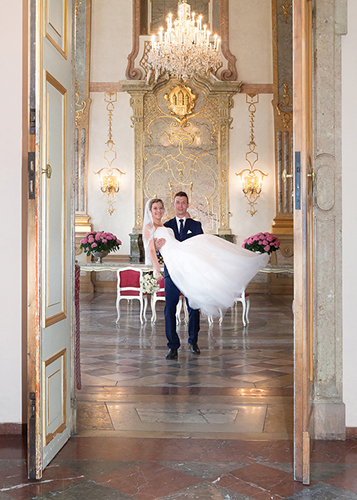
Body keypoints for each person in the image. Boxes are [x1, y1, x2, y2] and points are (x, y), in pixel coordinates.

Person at [142, 196, 269, 360]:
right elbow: (153, 248)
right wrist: (157, 258)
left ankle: (193, 341)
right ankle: (172, 346)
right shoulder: (166, 225)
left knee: (194, 304)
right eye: (156, 208)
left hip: (190, 270)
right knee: (169, 308)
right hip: (172, 270)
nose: (159, 210)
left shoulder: (194, 225)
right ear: (173, 205)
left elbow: (202, 248)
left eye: (160, 208)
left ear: (187, 205)